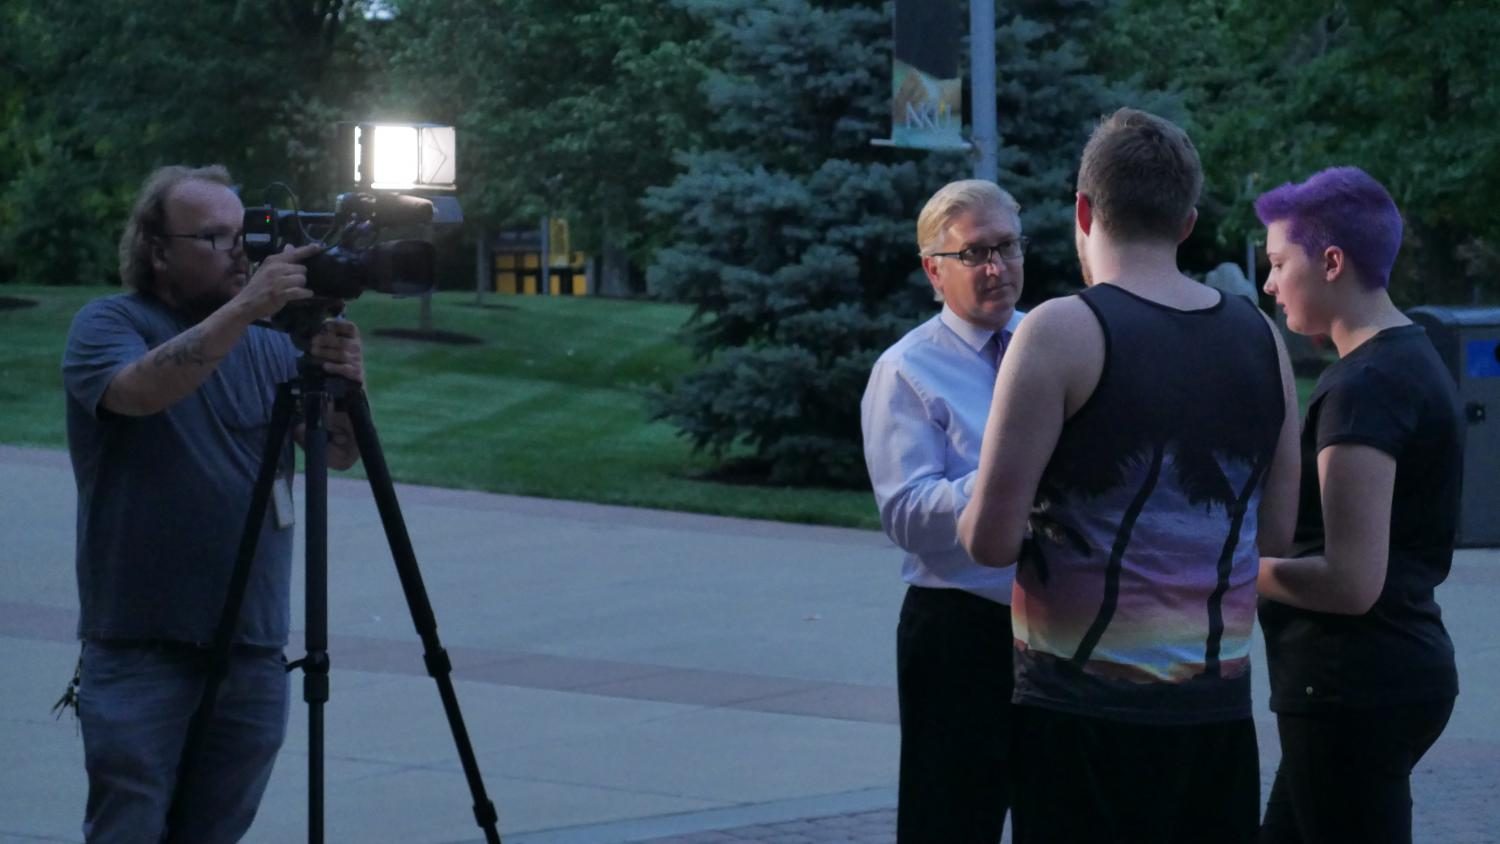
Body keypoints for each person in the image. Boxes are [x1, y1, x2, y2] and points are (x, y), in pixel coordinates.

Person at [956, 108, 1301, 844]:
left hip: (1080, 716)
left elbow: (988, 540)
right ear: (1186, 223)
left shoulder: (1059, 330)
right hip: (1216, 715)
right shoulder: (1259, 338)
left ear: (1084, 210)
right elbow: (1274, 530)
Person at [62, 164, 365, 843]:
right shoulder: (111, 323)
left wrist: (344, 383)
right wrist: (248, 307)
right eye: (215, 237)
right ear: (156, 248)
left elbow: (336, 454)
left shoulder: (268, 344)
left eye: (245, 235)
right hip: (143, 645)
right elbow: (137, 392)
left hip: (253, 650)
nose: (241, 252)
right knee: (130, 830)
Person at [1255, 166, 1462, 844]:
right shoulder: (1411, 355)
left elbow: (1350, 582)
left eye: (1280, 263)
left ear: (1332, 262)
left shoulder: (1364, 387)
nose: (1269, 283)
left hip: (1352, 687)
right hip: (1382, 678)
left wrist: (1225, 568)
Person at [859, 179, 1027, 842]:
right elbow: (904, 512)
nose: (996, 268)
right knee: (950, 823)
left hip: (1056, 629)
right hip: (961, 631)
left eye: (1007, 248)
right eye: (975, 254)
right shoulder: (906, 370)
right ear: (934, 268)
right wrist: (1007, 479)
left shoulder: (1052, 346)